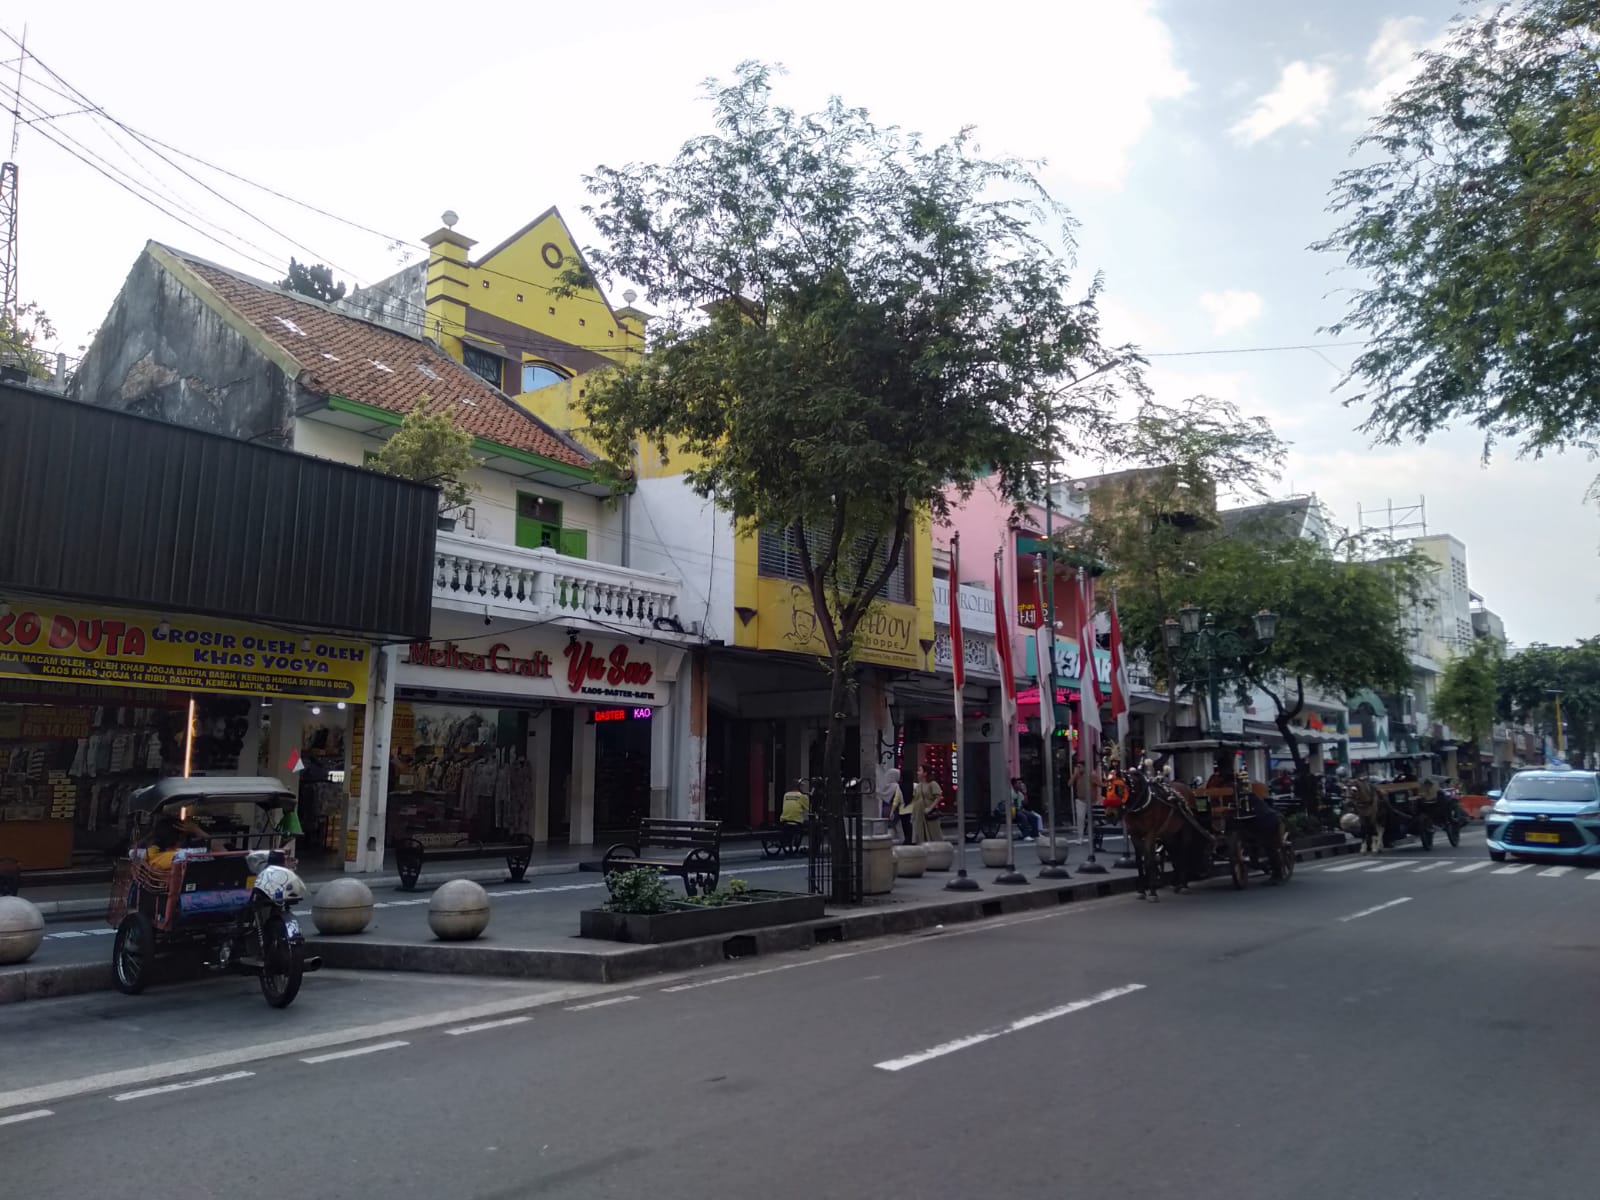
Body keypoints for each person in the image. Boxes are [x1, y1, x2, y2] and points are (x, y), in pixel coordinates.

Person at [910, 766, 943, 844]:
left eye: (919, 771)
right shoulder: (918, 786)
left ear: (925, 773)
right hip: (919, 813)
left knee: (933, 833)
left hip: (928, 813)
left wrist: (930, 808)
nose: (917, 773)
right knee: (920, 833)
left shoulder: (932, 784)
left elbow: (938, 797)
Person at [779, 781, 810, 853]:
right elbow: (808, 808)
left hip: (784, 819)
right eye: (802, 786)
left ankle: (789, 846)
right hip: (796, 820)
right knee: (807, 828)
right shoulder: (802, 796)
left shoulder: (786, 795)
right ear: (799, 787)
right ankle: (797, 844)